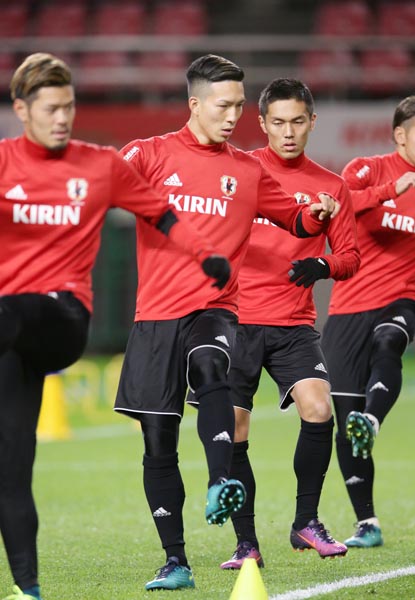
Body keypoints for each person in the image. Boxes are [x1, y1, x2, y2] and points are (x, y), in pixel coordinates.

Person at [0, 52, 231, 600]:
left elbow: (161, 213)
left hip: (62, 319)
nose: (63, 118)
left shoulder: (100, 165)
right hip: (9, 333)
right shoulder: (4, 163)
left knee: (12, 311)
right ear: (21, 110)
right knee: (11, 466)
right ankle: (28, 588)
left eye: (69, 106)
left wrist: (205, 254)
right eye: (51, 109)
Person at [115, 56, 340, 591]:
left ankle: (221, 482)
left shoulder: (249, 170)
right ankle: (175, 561)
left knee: (211, 365)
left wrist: (317, 213)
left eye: (240, 105)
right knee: (157, 441)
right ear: (194, 104)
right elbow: (105, 185)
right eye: (224, 105)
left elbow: (295, 217)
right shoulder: (150, 154)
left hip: (215, 308)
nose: (234, 115)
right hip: (154, 317)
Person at [212, 78, 360, 570]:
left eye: (298, 121)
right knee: (234, 429)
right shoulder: (238, 171)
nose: (289, 132)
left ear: (312, 121)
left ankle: (306, 522)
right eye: (278, 122)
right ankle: (246, 543)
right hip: (235, 322)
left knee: (318, 409)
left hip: (293, 324)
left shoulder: (332, 185)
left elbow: (351, 257)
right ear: (262, 123)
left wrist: (323, 265)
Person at [321, 95, 415, 548]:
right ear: (400, 135)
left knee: (390, 340)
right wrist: (392, 190)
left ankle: (373, 420)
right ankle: (366, 523)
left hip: (401, 298)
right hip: (348, 309)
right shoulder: (367, 170)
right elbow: (339, 205)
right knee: (343, 423)